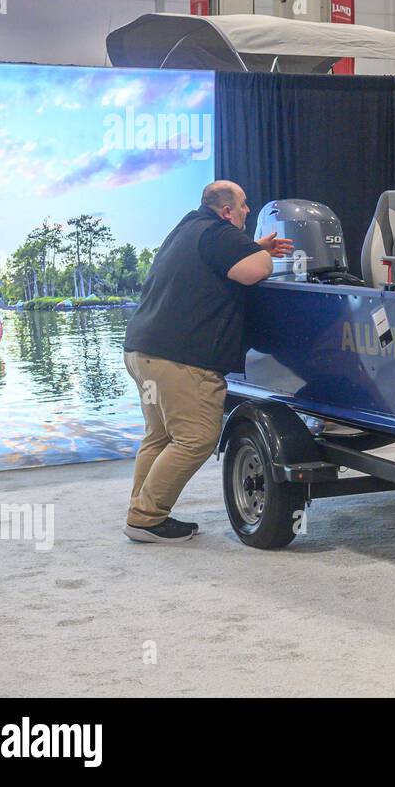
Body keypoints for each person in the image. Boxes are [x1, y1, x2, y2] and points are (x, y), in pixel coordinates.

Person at [121, 181, 292, 544]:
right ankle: (147, 517)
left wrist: (251, 247)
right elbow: (255, 271)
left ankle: (141, 509)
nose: (248, 211)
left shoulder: (186, 229)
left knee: (160, 436)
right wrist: (261, 254)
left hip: (141, 354)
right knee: (196, 438)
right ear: (226, 211)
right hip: (179, 360)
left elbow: (221, 261)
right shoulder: (218, 233)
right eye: (243, 205)